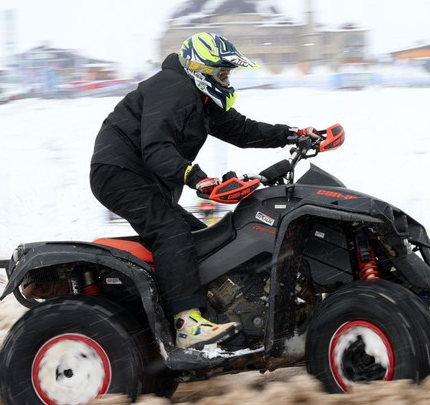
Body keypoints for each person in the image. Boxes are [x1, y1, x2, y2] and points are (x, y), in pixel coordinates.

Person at [89, 31, 319, 351]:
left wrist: (294, 135)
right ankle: (186, 323)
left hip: (147, 179)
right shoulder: (173, 87)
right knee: (170, 231)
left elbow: (243, 130)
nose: (227, 80)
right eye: (222, 73)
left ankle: (219, 312)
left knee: (204, 240)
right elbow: (156, 147)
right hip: (119, 173)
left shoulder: (201, 100)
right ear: (201, 69)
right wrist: (198, 179)